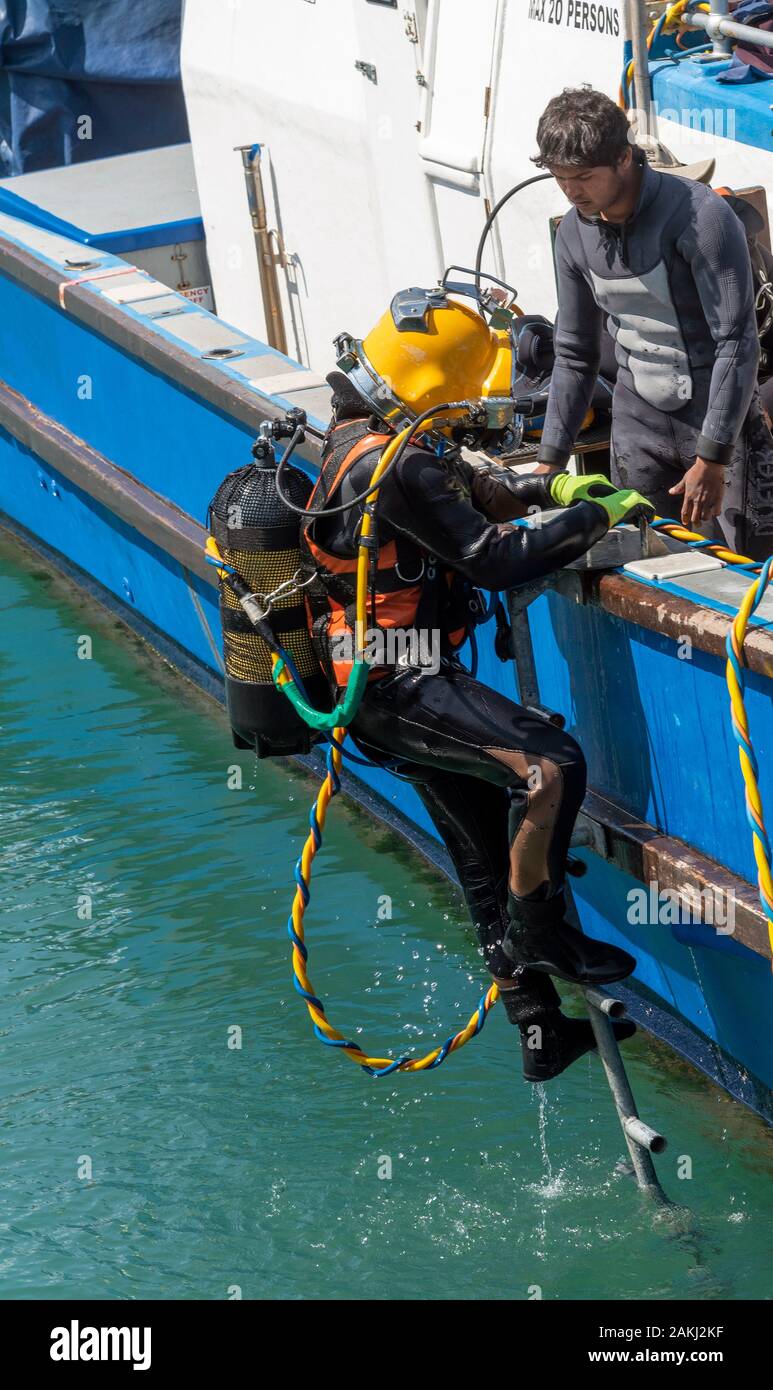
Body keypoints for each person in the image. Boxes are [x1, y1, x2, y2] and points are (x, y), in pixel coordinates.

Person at [300, 286, 653, 1082]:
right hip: (401, 681)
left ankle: (537, 1027)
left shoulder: (352, 436)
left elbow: (464, 488)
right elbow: (491, 557)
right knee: (550, 767)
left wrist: (549, 490)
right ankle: (541, 934)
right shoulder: (401, 463)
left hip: (365, 685)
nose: (466, 411)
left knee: (482, 854)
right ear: (430, 387)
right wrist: (590, 522)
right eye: (459, 396)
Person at [532, 86, 773, 561]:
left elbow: (737, 343)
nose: (572, 191)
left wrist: (712, 458)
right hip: (637, 424)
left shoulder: (701, 216)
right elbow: (575, 352)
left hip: (719, 425)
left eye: (583, 176)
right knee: (649, 565)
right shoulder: (574, 234)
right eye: (560, 179)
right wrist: (548, 464)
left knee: (752, 582)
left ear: (625, 158)